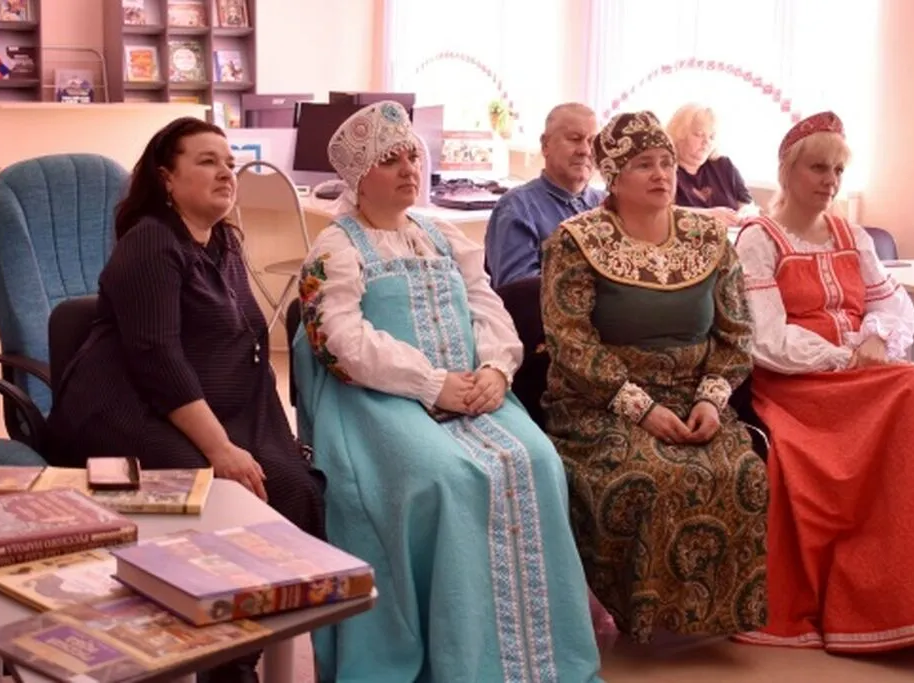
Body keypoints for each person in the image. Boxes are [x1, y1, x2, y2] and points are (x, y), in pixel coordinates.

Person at [292, 100, 602, 683]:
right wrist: (433, 384)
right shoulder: (336, 249)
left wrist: (497, 370)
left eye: (412, 155)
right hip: (377, 400)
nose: (409, 168)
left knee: (539, 460)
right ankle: (461, 661)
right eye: (390, 160)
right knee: (444, 477)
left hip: (474, 389)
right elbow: (342, 342)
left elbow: (488, 306)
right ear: (359, 177)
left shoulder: (443, 235)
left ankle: (537, 659)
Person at [48, 117, 326, 683]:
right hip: (124, 409)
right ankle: (206, 656)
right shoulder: (152, 241)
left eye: (229, 162)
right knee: (217, 490)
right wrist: (222, 449)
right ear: (166, 178)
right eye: (206, 161)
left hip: (202, 408)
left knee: (292, 486)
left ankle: (233, 657)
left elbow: (248, 348)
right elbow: (157, 360)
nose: (226, 172)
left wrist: (273, 441)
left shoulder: (224, 242)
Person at [734, 111, 914, 653]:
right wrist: (844, 357)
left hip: (860, 376)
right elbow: (766, 338)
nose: (830, 181)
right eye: (818, 168)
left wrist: (877, 339)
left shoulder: (852, 235)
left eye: (838, 170)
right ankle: (900, 603)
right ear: (788, 169)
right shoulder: (758, 240)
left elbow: (893, 305)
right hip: (798, 386)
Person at [540, 110, 768, 646]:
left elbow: (736, 333)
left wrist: (711, 400)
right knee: (651, 476)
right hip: (600, 402)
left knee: (741, 470)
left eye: (666, 162)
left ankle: (713, 616)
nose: (662, 174)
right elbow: (571, 342)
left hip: (695, 397)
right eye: (644, 164)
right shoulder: (576, 242)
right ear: (614, 176)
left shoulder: (709, 237)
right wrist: (641, 409)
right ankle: (644, 619)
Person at [484, 102, 605, 288]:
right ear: (545, 145)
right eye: (574, 139)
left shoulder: (609, 204)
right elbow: (518, 292)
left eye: (592, 142)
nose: (585, 150)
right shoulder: (517, 207)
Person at [666, 103, 758, 225]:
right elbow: (660, 213)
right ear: (679, 135)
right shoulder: (665, 169)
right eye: (699, 135)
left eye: (712, 137)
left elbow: (748, 205)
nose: (706, 142)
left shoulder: (724, 166)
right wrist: (708, 215)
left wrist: (744, 215)